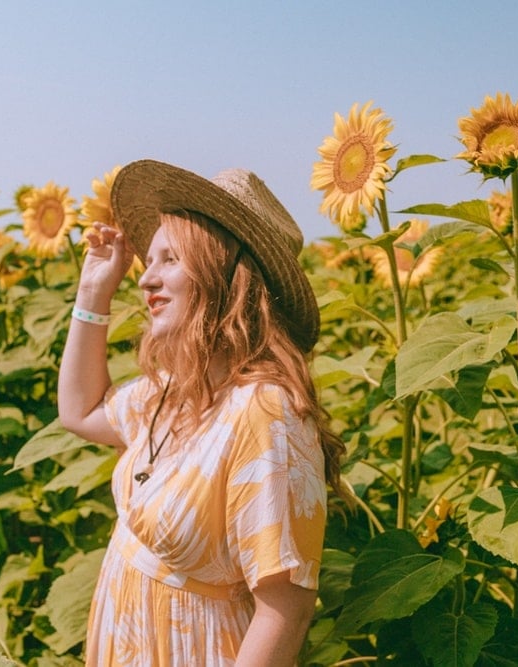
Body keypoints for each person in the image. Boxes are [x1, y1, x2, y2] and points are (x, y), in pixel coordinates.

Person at [58, 159, 348, 666]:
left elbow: (286, 610)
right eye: (149, 260)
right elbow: (80, 412)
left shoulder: (265, 413)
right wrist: (92, 293)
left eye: (170, 259)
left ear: (226, 276)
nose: (145, 278)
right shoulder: (176, 389)